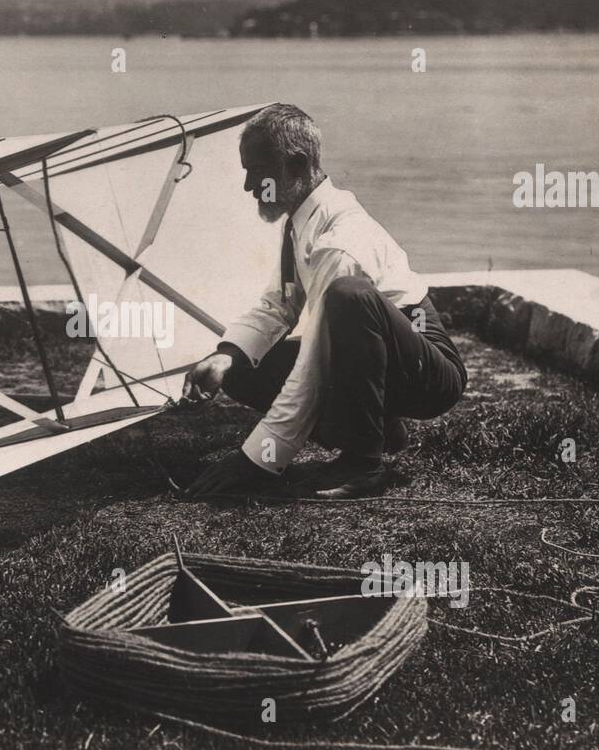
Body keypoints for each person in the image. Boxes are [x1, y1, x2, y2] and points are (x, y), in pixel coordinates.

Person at [183, 103, 467, 498]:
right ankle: (380, 428)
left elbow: (315, 363)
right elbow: (280, 304)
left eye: (257, 171)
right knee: (243, 367)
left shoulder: (339, 239)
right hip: (385, 355)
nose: (249, 187)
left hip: (428, 372)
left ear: (297, 165)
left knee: (347, 297)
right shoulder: (301, 219)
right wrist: (226, 354)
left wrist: (257, 459)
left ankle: (363, 463)